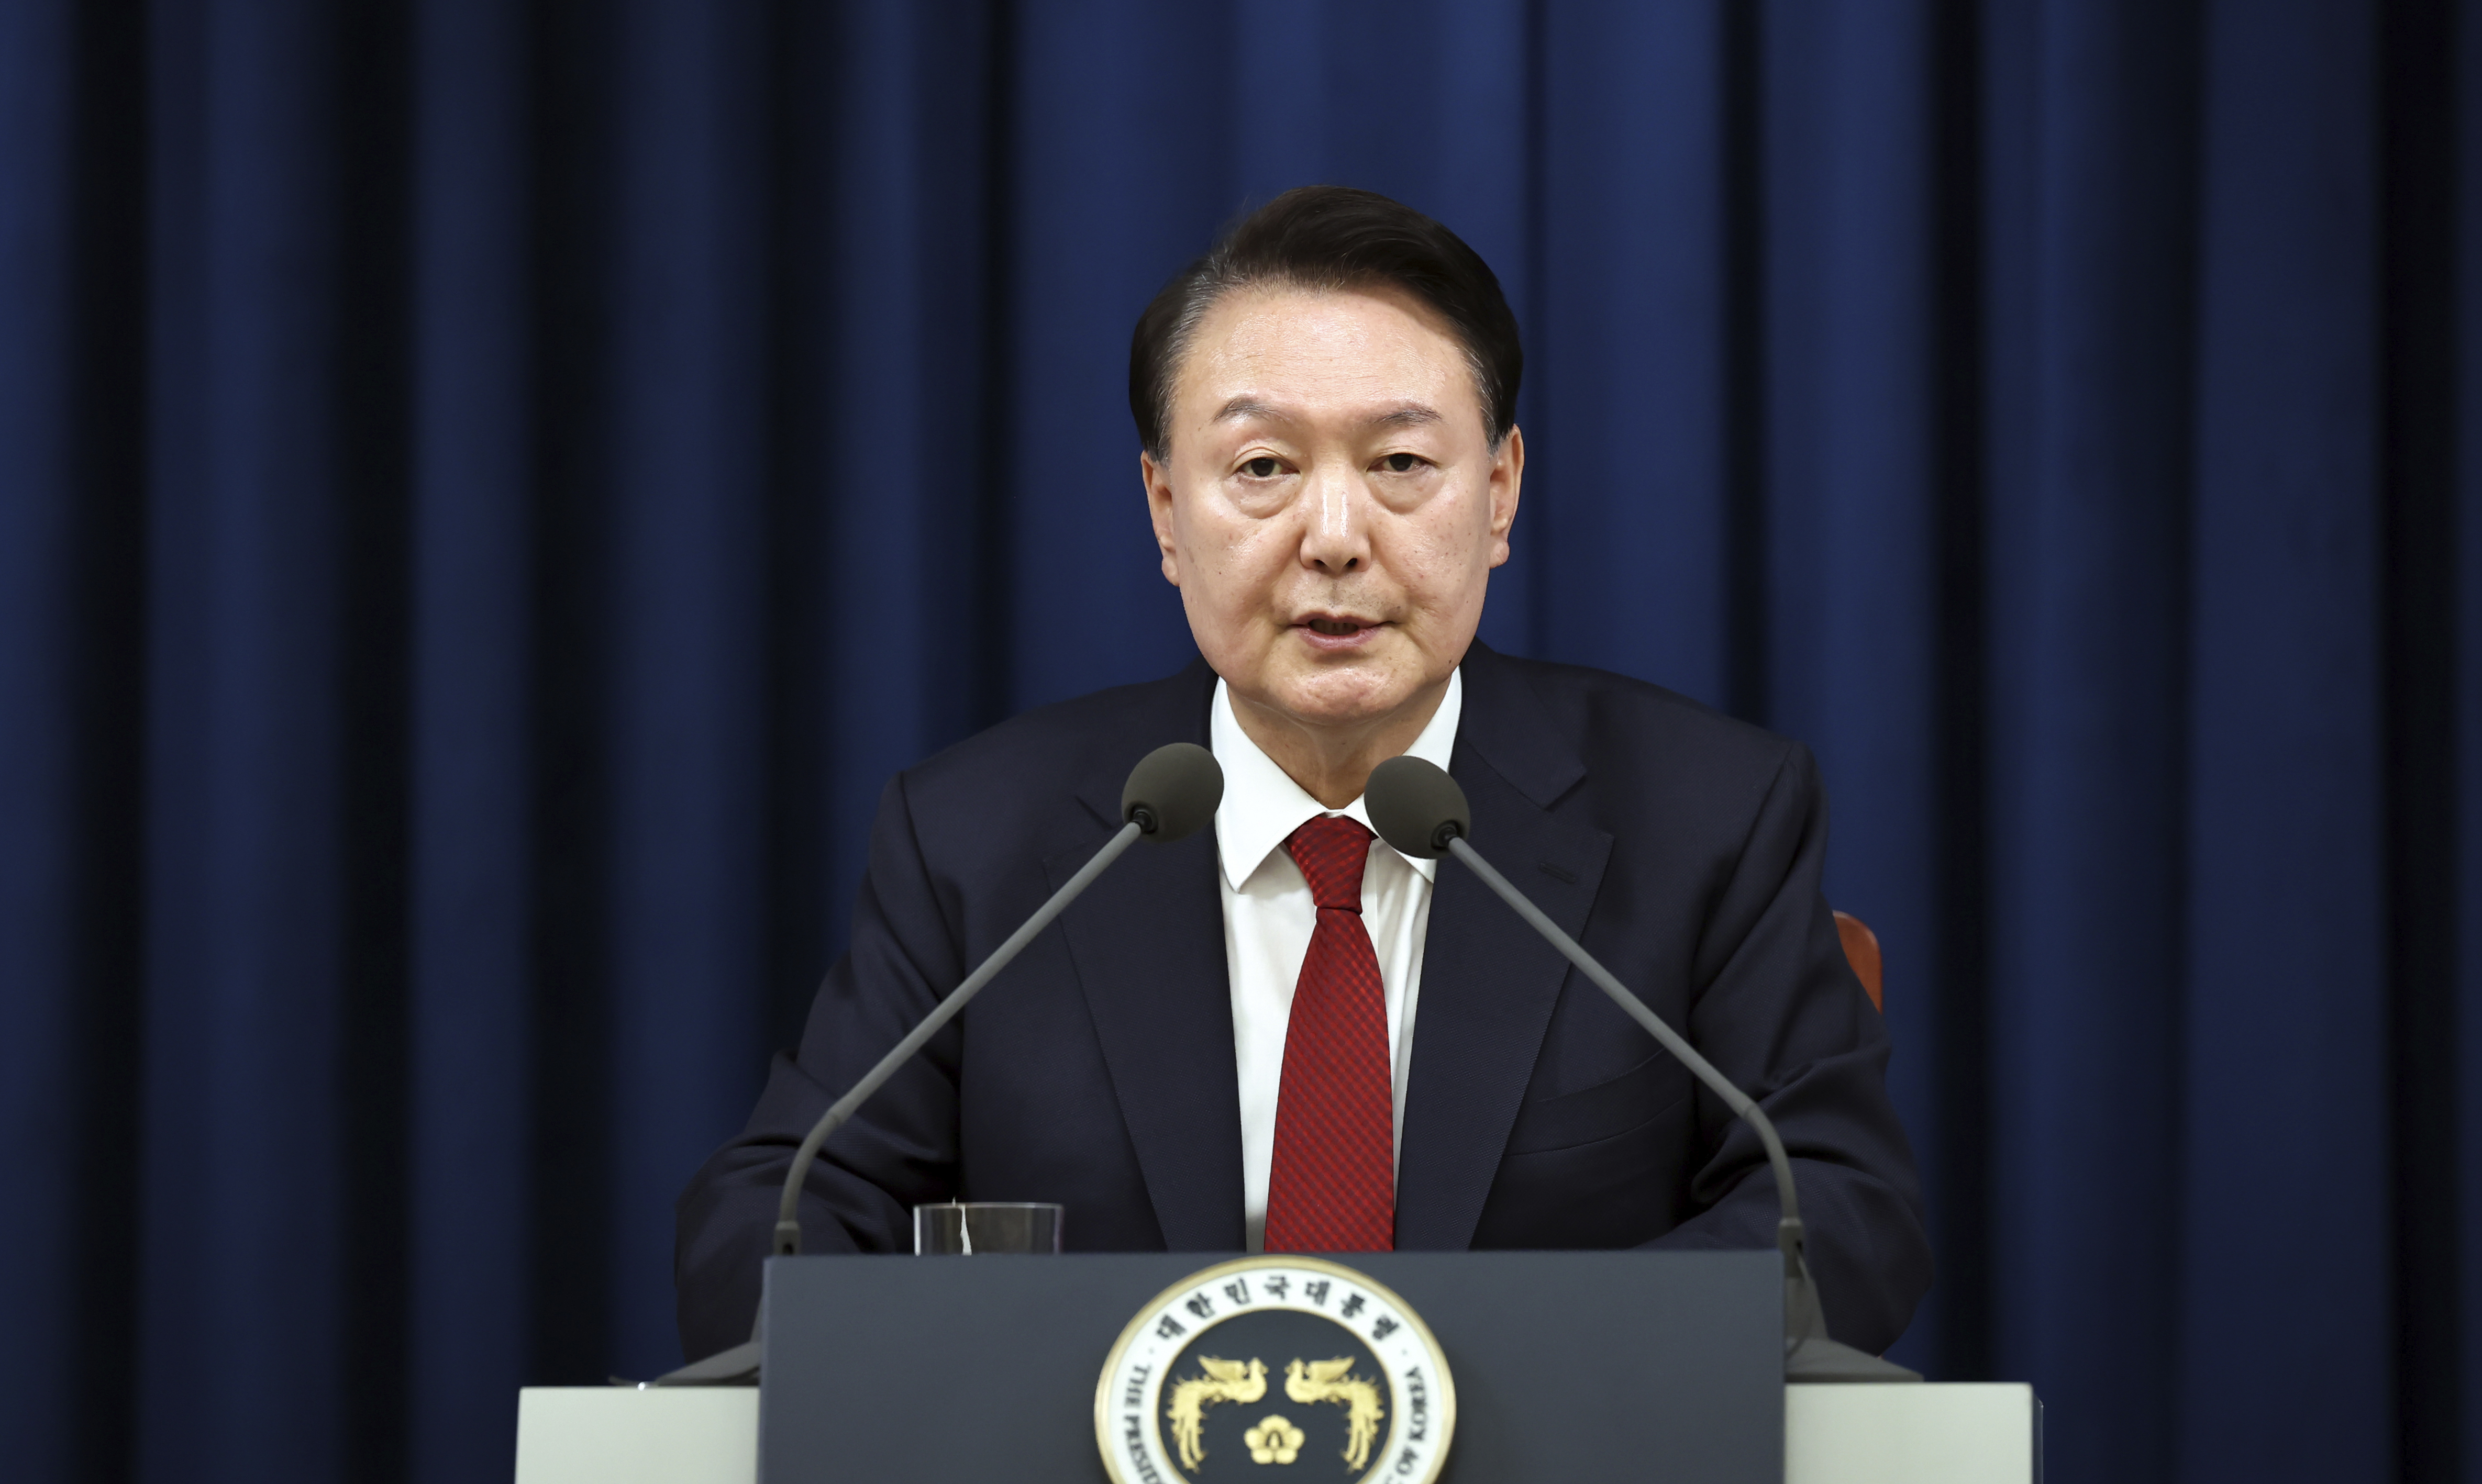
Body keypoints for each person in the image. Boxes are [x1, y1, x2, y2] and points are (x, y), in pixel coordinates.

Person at [674, 186, 1931, 1358]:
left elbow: (1835, 1213)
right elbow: (774, 1220)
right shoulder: (977, 840)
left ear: (1498, 494)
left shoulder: (1706, 815)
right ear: (1168, 512)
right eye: (1263, 469)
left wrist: (1465, 1400)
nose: (1335, 539)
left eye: (1400, 465)